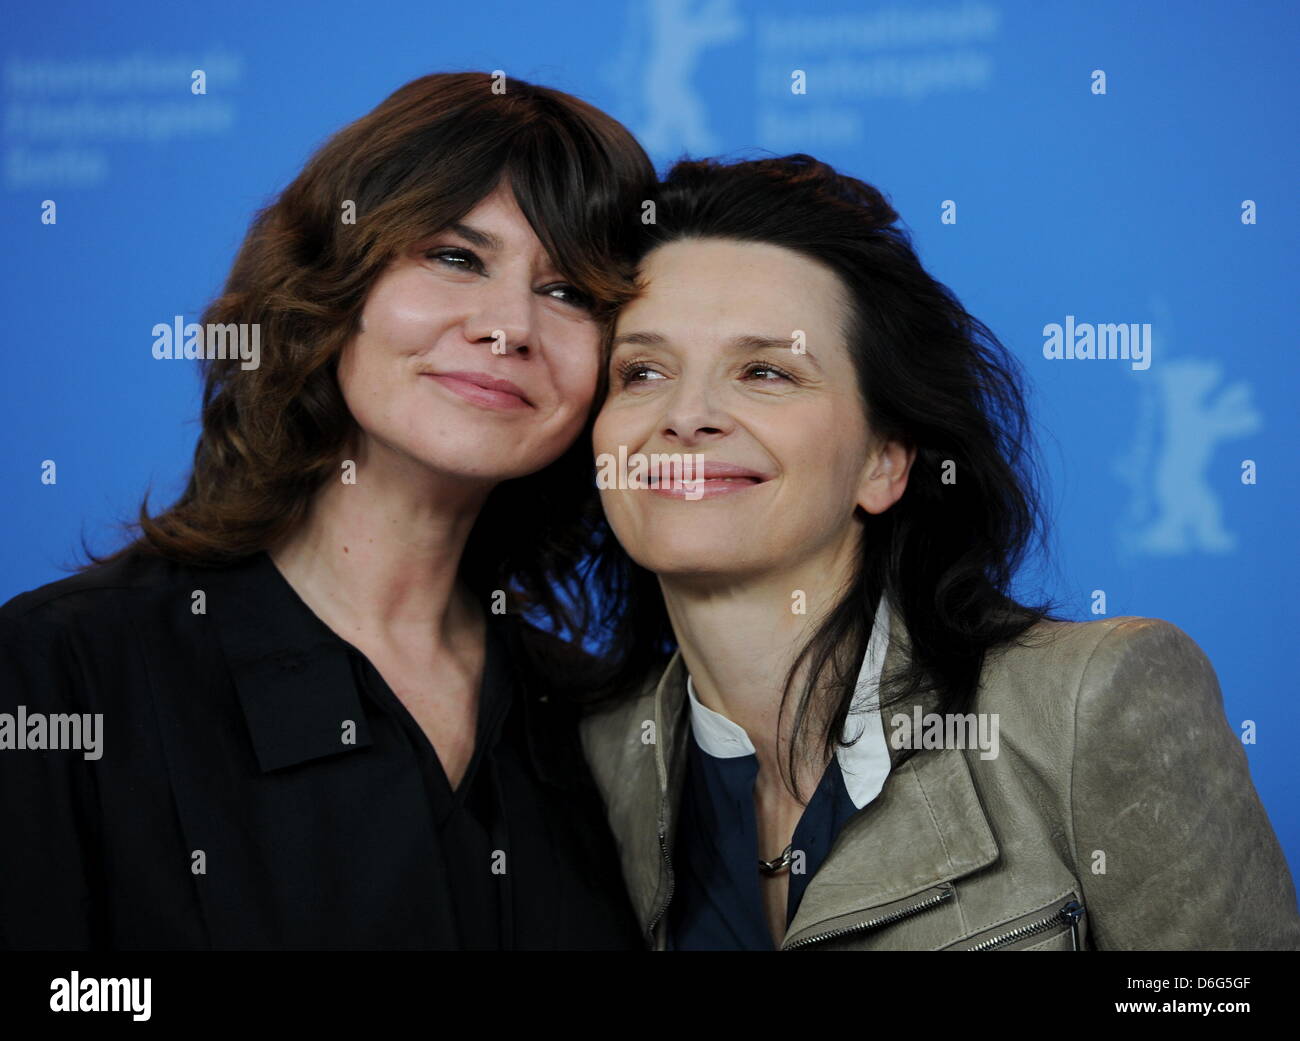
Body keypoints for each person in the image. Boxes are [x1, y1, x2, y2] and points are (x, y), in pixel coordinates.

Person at [0, 71, 655, 950]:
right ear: (331, 285)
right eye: (456, 257)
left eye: (570, 291)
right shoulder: (63, 671)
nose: (510, 326)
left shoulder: (604, 719)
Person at [578, 153, 1300, 950]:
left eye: (765, 371)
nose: (687, 415)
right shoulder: (590, 759)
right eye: (641, 370)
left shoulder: (1087, 707)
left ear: (885, 461)